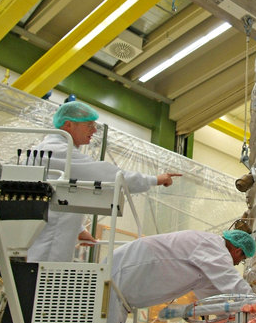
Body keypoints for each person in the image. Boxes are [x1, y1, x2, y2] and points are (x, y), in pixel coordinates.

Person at [27, 101, 180, 262]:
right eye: (89, 125)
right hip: (44, 250)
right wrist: (156, 179)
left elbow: (57, 198)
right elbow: (111, 176)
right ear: (68, 125)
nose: (94, 130)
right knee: (37, 282)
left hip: (49, 241)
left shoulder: (56, 150)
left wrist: (78, 229)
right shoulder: (57, 151)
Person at [103, 229, 256, 323]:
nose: (237, 264)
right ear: (237, 251)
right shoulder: (213, 246)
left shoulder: (208, 260)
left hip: (123, 291)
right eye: (240, 260)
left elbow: (213, 298)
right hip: (119, 276)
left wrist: (231, 317)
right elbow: (231, 280)